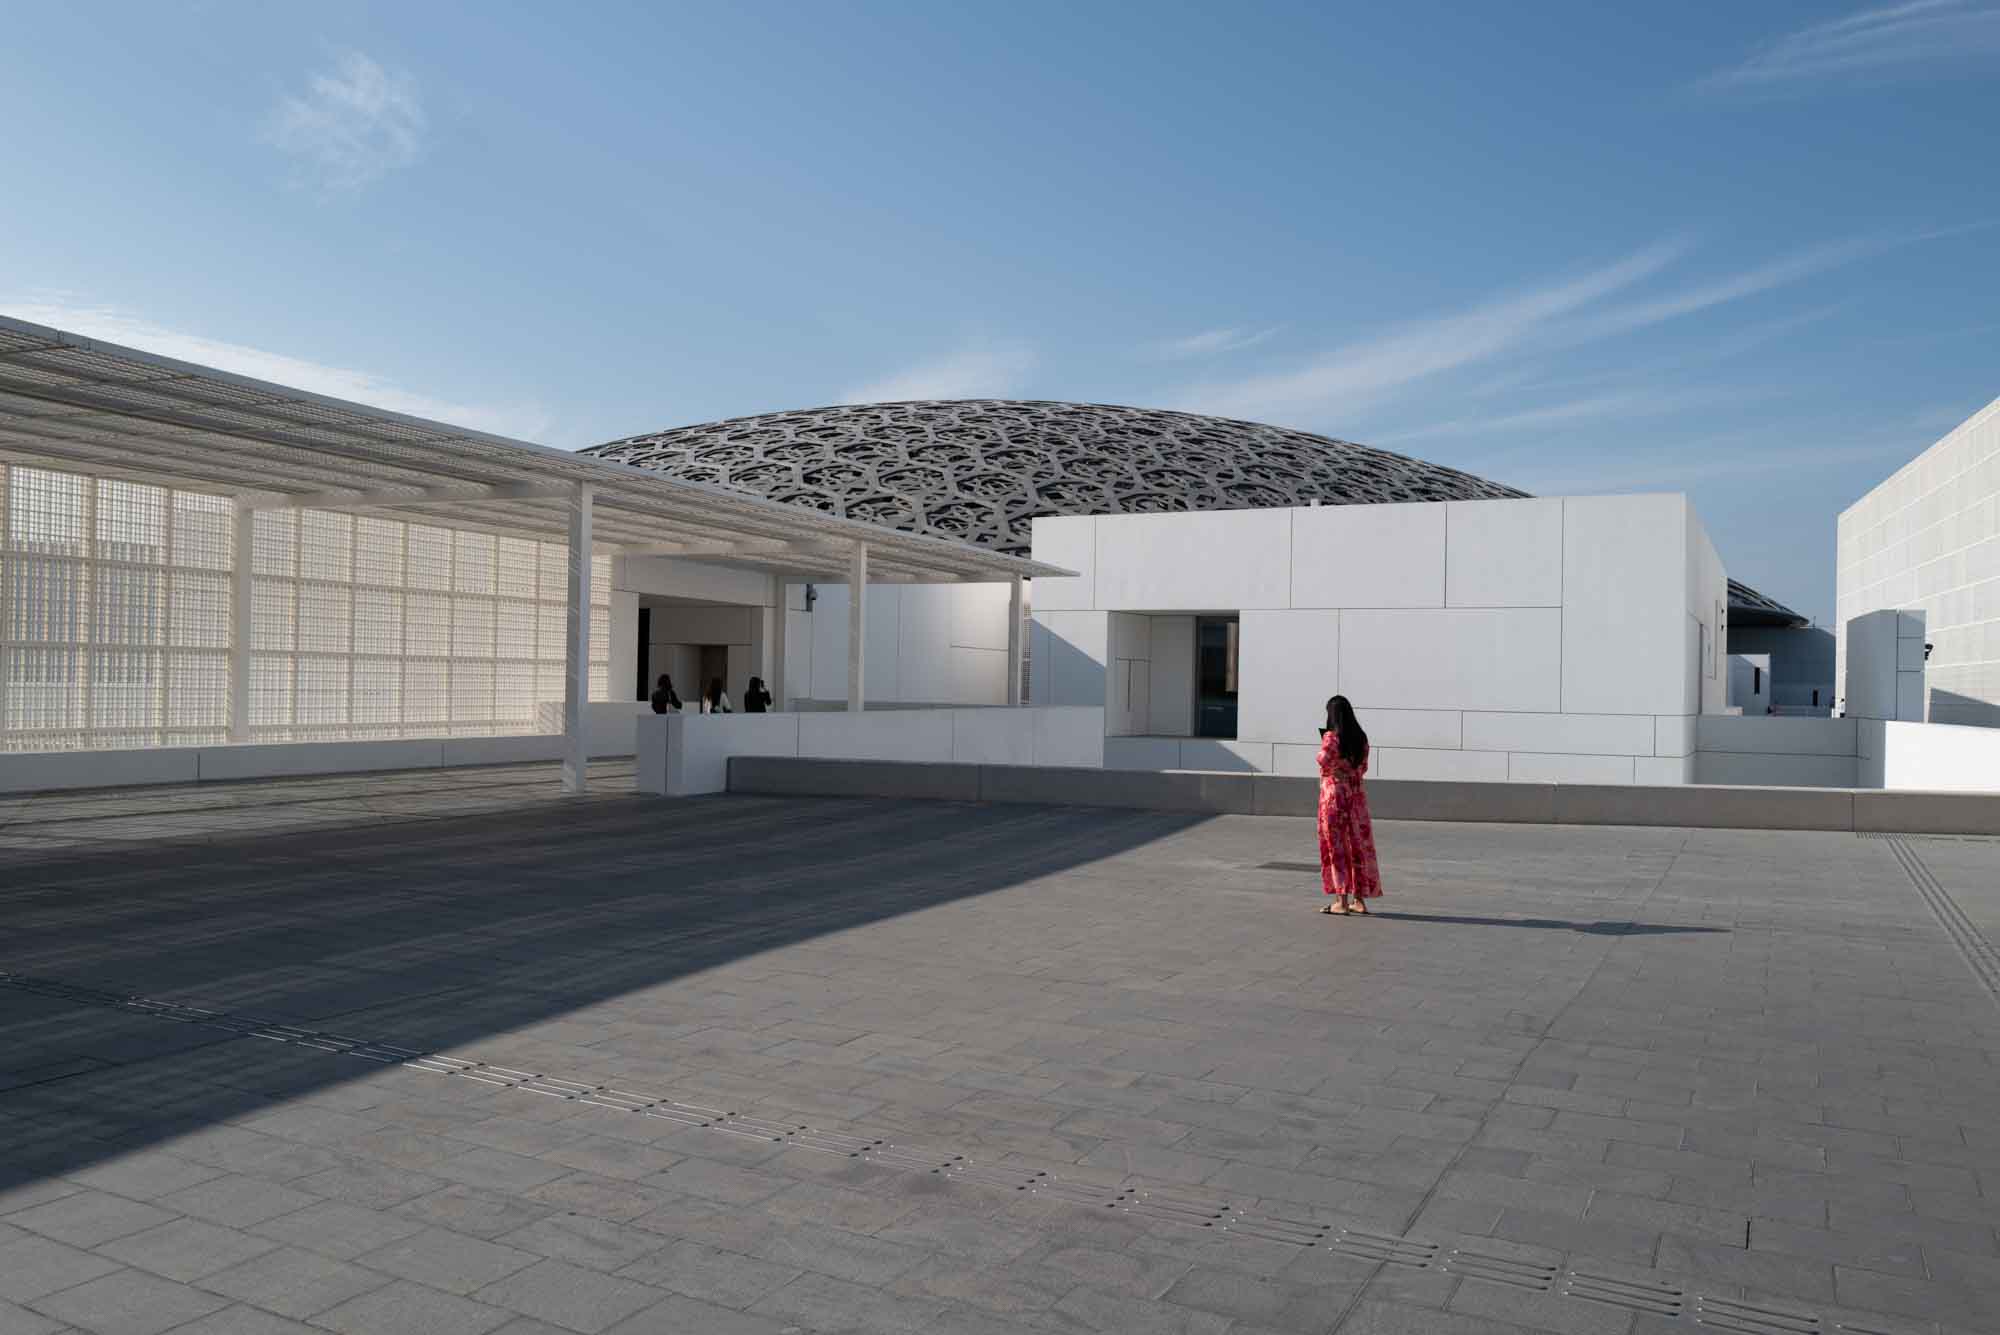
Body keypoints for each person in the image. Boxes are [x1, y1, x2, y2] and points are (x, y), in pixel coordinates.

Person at [1316, 694, 1381, 915]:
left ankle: (1340, 902)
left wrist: (1334, 767)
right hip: (1356, 797)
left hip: (1334, 796)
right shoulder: (1361, 738)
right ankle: (1359, 900)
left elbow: (1322, 759)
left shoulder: (1332, 738)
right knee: (1358, 847)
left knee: (1337, 848)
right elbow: (1363, 768)